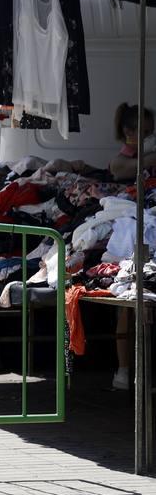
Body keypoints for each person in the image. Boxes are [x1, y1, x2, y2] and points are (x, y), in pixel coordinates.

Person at [108, 103, 154, 390]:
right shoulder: (124, 160)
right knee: (128, 305)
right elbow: (120, 169)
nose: (149, 136)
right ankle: (124, 370)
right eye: (145, 132)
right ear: (129, 132)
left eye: (152, 132)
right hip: (131, 236)